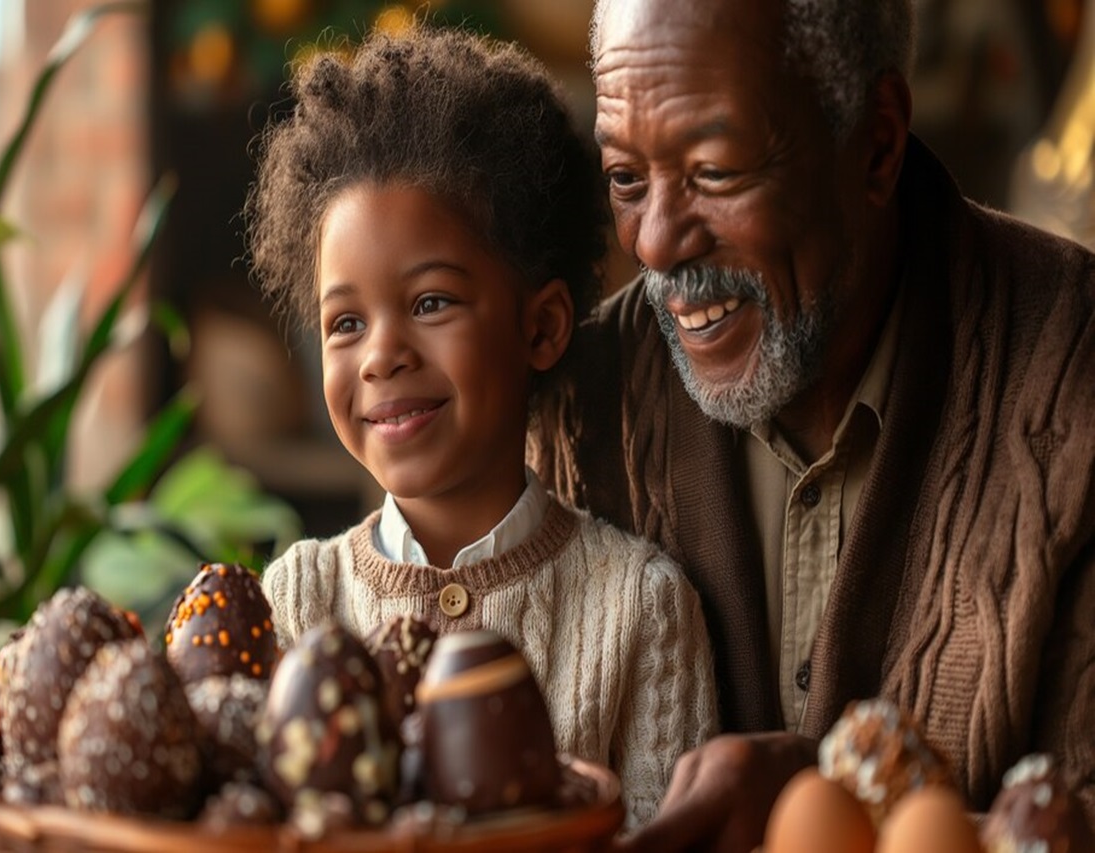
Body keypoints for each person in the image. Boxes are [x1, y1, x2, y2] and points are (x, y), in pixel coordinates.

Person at [528, 0, 1095, 849]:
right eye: (626, 179)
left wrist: (820, 799)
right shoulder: (574, 408)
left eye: (715, 171)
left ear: (875, 143)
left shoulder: (1072, 380)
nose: (654, 243)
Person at [245, 24, 718, 828]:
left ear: (541, 328)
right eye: (345, 323)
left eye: (431, 303)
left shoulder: (639, 609)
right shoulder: (296, 599)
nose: (381, 355)